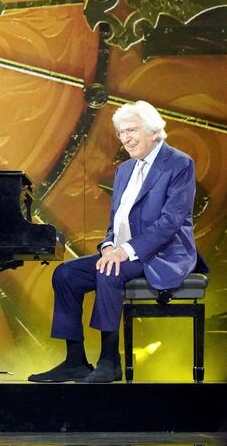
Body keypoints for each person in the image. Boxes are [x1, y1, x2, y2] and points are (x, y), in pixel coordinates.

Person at [29, 100, 200, 384]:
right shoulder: (124, 171)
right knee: (66, 274)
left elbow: (170, 222)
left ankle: (109, 359)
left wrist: (125, 252)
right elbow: (116, 224)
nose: (126, 138)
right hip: (123, 252)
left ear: (154, 131)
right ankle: (74, 361)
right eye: (121, 133)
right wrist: (109, 246)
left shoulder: (179, 164)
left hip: (161, 253)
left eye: (132, 130)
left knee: (108, 270)